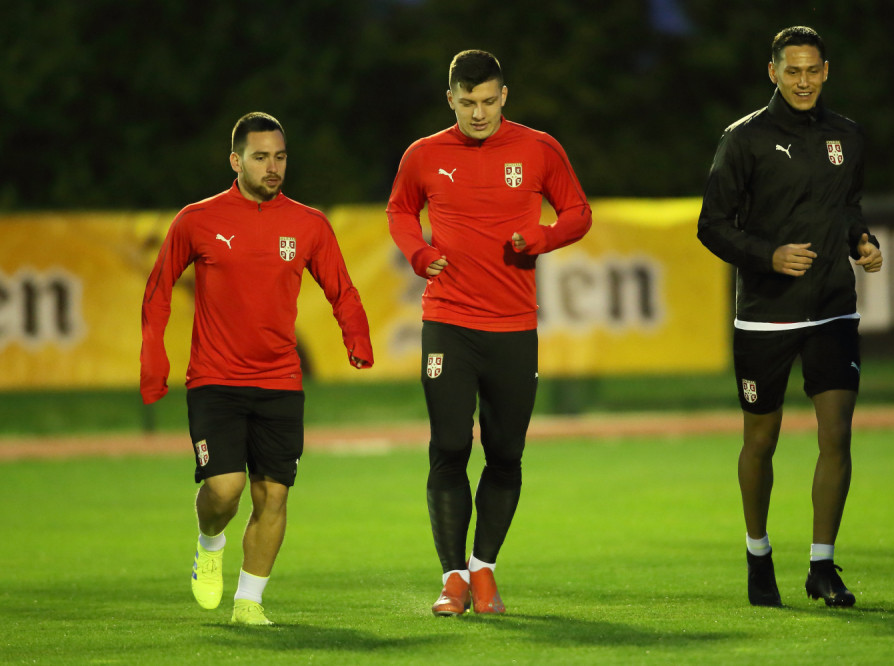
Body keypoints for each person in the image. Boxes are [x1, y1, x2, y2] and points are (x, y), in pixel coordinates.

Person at [140, 112, 373, 625]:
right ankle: (209, 541)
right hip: (215, 381)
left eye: (281, 157)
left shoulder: (308, 223)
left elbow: (342, 288)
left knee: (273, 494)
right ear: (235, 160)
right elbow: (158, 289)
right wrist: (153, 353)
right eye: (261, 157)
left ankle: (249, 602)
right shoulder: (197, 219)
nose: (273, 167)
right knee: (225, 490)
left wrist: (355, 331)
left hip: (280, 382)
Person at [386, 50, 592, 616]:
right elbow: (400, 211)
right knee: (449, 447)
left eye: (488, 100)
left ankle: (484, 571)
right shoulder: (424, 154)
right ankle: (452, 580)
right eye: (467, 101)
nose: (479, 112)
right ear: (449, 98)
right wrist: (418, 251)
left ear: (505, 96)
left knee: (505, 454)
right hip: (447, 321)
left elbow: (577, 212)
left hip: (513, 326)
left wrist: (543, 239)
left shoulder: (539, 148)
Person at [697, 26, 883, 608]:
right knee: (762, 440)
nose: (803, 82)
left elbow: (847, 206)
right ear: (773, 72)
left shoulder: (847, 135)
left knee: (837, 436)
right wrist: (768, 256)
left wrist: (862, 240)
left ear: (826, 71)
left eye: (812, 71)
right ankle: (758, 557)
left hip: (832, 308)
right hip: (765, 316)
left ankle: (822, 566)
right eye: (792, 71)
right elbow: (712, 225)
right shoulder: (744, 139)